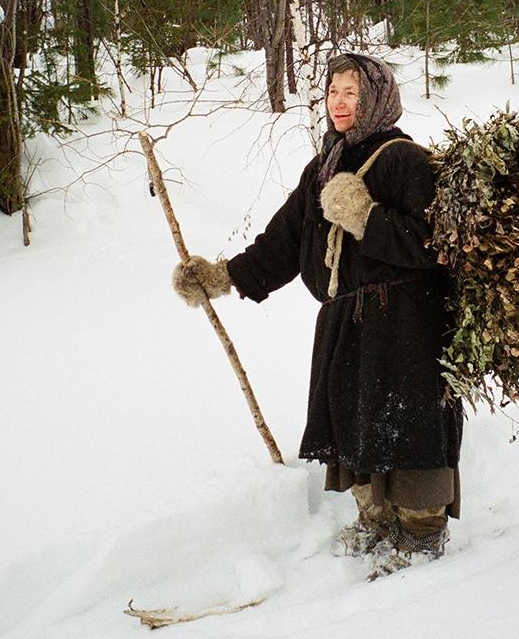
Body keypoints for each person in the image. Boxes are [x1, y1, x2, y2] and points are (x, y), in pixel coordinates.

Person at [172, 52, 464, 577]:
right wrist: (224, 276)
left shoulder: (406, 160)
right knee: (354, 421)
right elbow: (283, 240)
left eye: (352, 92)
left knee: (409, 426)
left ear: (376, 98)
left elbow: (437, 243)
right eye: (333, 92)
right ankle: (376, 521)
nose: (339, 103)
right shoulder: (323, 167)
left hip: (407, 322)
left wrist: (366, 218)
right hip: (346, 319)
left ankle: (422, 533)